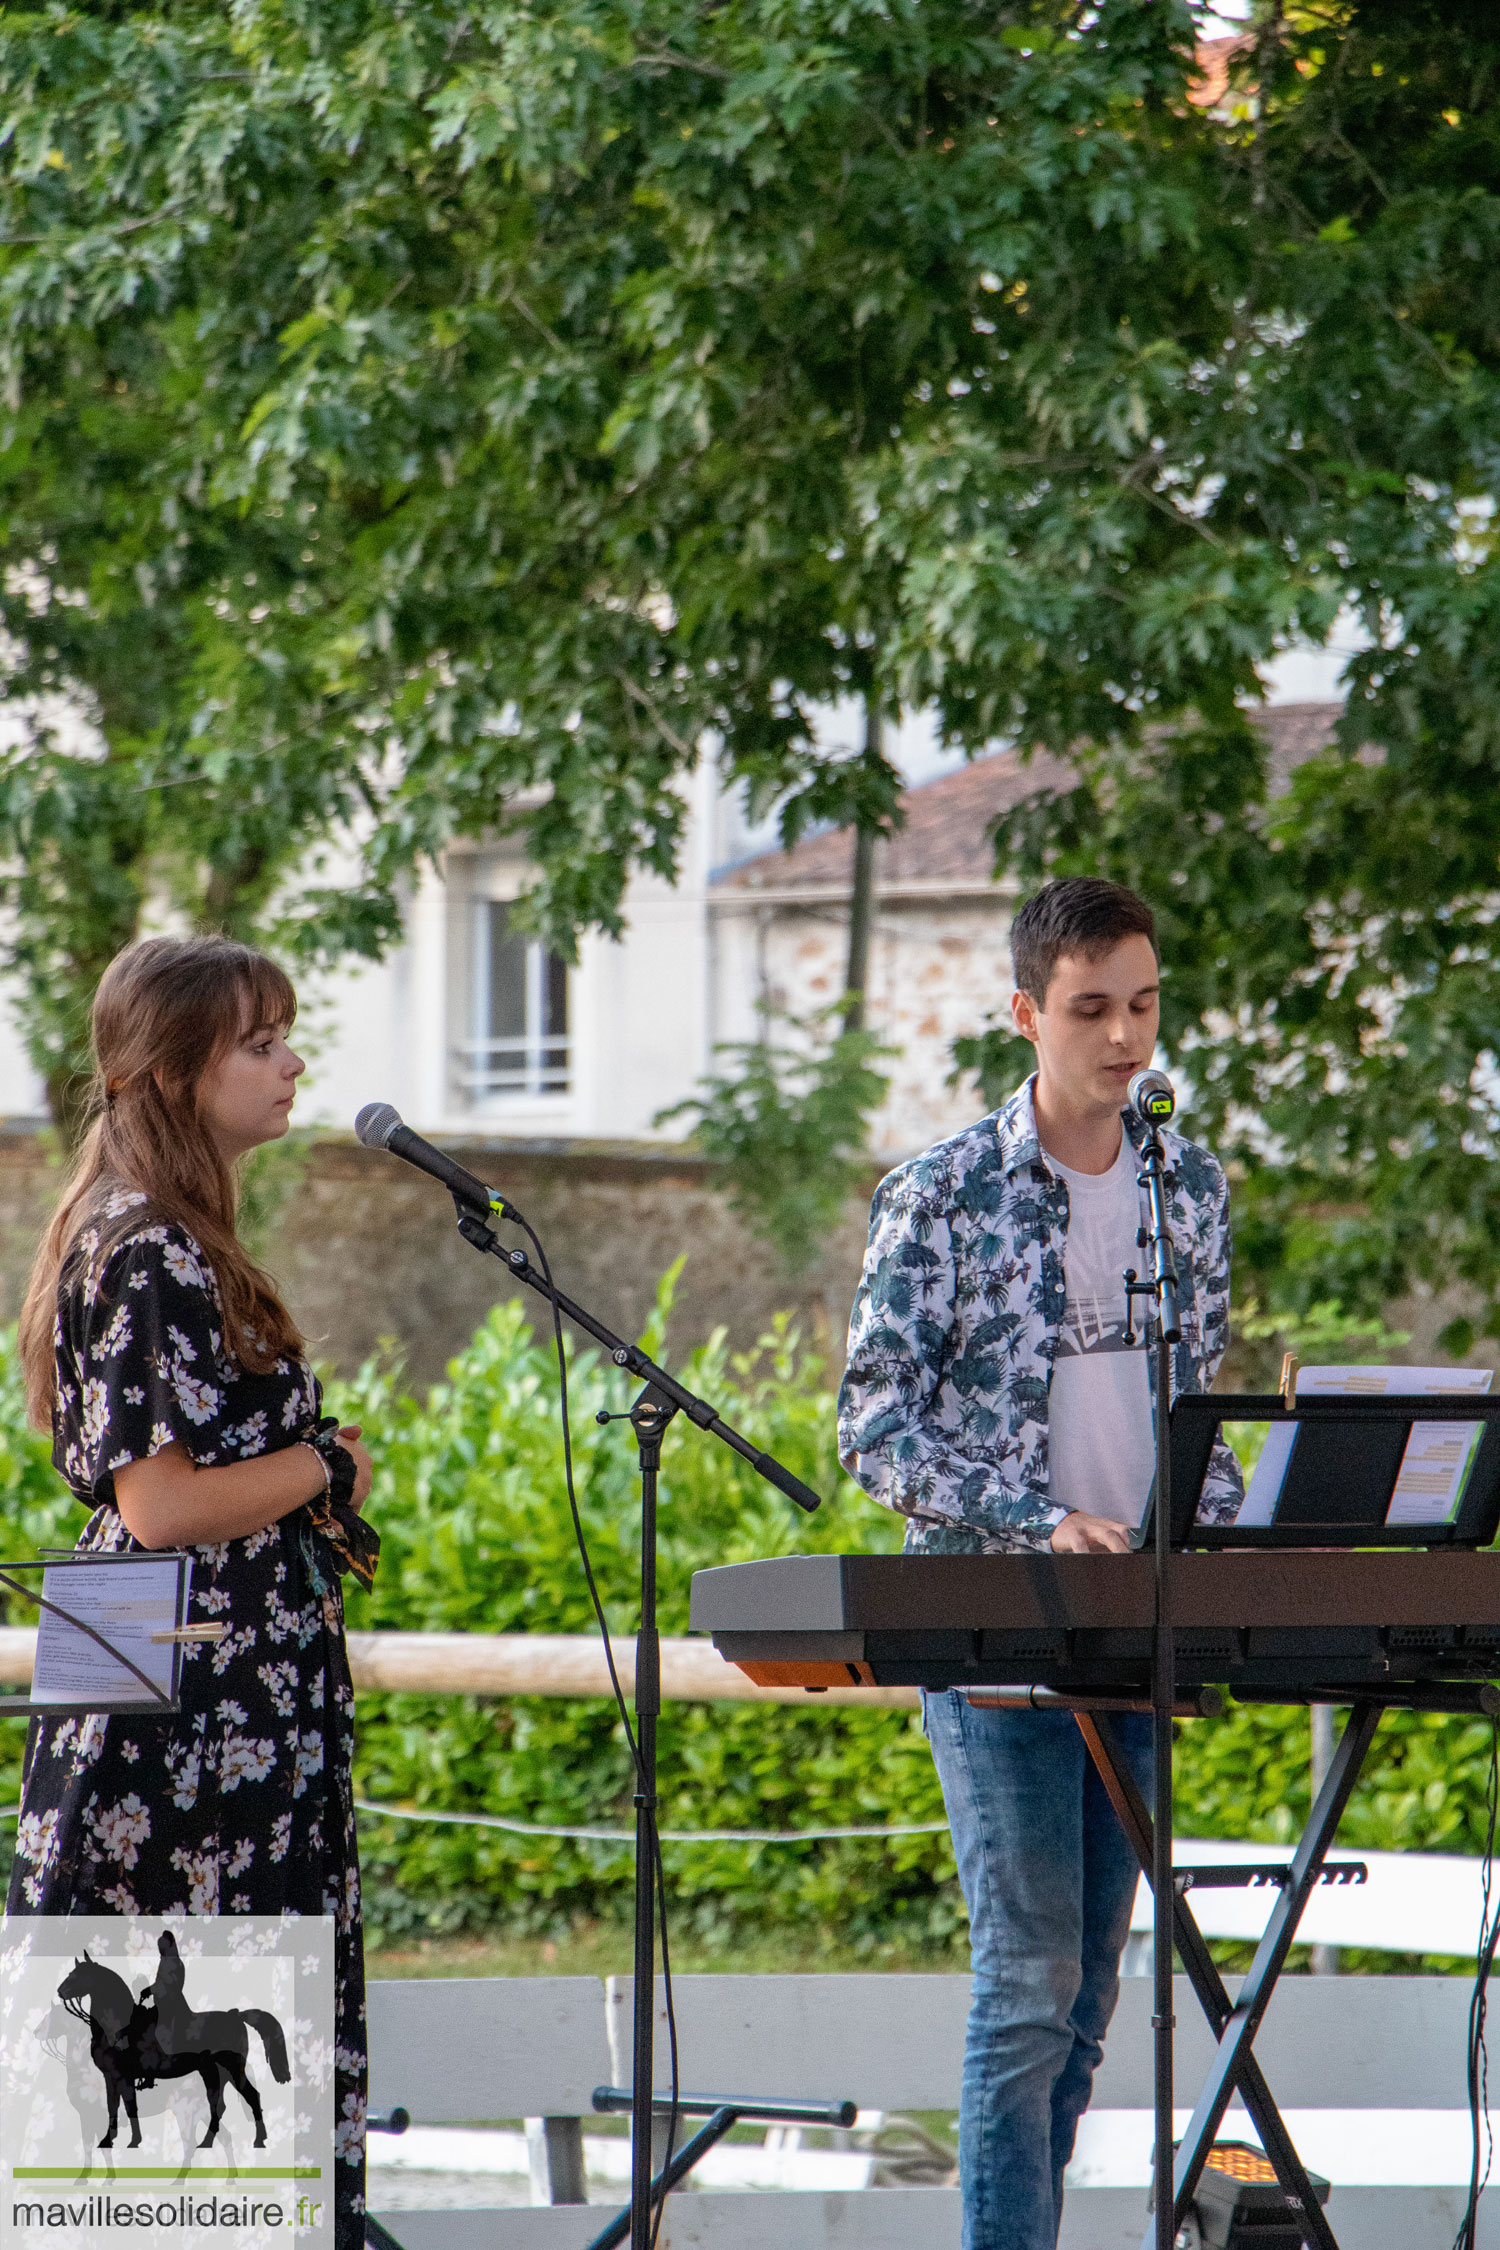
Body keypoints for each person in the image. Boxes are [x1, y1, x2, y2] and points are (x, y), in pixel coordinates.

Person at [838, 877, 1242, 2250]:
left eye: (1142, 1004)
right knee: (1028, 1979)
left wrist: (1246, 1528)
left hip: (1143, 1628)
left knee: (1089, 1999)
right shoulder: (940, 1193)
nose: (1125, 1037)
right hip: (998, 1626)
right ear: (1026, 1014)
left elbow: (1198, 1409)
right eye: (1091, 1009)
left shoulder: (1190, 1184)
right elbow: (872, 1425)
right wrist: (1030, 1514)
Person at [11, 934, 378, 2245]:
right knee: (188, 2169)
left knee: (167, 2160)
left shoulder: (129, 1228)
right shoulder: (152, 1248)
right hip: (190, 1708)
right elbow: (158, 1504)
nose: (291, 1064)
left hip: (155, 1665)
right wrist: (323, 1460)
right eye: (261, 1041)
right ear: (176, 1069)